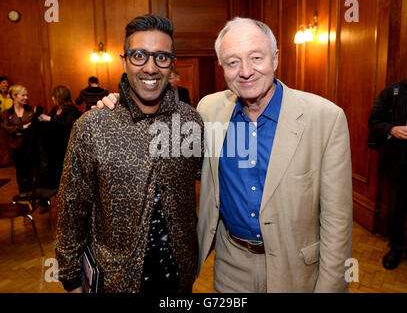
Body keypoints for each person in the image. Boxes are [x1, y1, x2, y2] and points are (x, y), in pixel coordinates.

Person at [98, 17, 353, 293]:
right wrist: (118, 104)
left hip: (296, 268)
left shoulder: (326, 119)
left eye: (256, 57)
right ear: (222, 68)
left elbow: (337, 222)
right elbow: (164, 146)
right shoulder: (209, 111)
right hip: (231, 265)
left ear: (275, 58)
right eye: (232, 62)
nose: (245, 71)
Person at [56, 15, 204, 293]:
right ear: (124, 60)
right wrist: (72, 278)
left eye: (161, 57)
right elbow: (71, 208)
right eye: (139, 56)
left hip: (179, 278)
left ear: (172, 63)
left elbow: (213, 184)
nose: (150, 68)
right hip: (115, 280)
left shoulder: (190, 122)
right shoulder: (93, 126)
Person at [368, 78, 407, 270]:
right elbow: (374, 121)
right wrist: (392, 129)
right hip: (398, 165)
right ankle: (397, 249)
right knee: (396, 211)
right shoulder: (393, 92)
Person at [38, 86, 81, 188]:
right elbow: (50, 121)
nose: (52, 98)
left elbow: (69, 126)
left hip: (65, 146)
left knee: (64, 172)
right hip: (55, 146)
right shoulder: (56, 109)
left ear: (59, 96)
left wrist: (50, 120)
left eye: (53, 96)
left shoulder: (71, 110)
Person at [1, 85, 34, 193]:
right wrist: (21, 128)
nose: (26, 97)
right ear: (14, 96)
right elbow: (6, 127)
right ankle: (22, 194)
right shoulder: (7, 113)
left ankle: (32, 194)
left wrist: (20, 130)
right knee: (20, 171)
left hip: (30, 145)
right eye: (23, 95)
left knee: (31, 170)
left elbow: (33, 126)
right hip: (16, 146)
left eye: (26, 95)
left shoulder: (30, 110)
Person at [0, 77, 13, 166]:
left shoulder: (10, 95)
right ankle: (4, 161)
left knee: (8, 141)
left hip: (9, 121)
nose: (6, 84)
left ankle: (8, 161)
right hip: (0, 120)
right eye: (4, 83)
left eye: (7, 83)